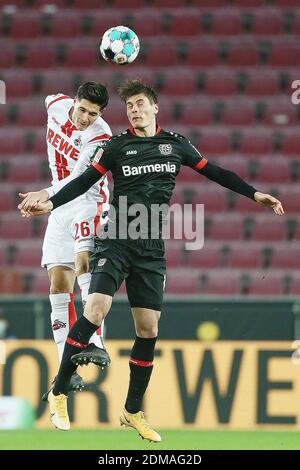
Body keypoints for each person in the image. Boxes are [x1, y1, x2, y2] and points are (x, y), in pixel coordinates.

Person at [18, 79, 284, 441]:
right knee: (95, 310)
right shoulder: (115, 145)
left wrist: (256, 195)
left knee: (149, 330)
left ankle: (132, 412)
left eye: (141, 104)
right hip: (115, 240)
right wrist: (50, 202)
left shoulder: (175, 145)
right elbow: (81, 183)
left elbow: (216, 172)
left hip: (151, 248)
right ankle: (60, 391)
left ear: (154, 107)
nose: (135, 110)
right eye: (129, 107)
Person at [19, 82, 112, 397]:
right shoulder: (54, 104)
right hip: (59, 204)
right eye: (83, 109)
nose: (85, 117)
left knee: (83, 262)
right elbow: (47, 98)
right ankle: (65, 368)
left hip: (88, 201)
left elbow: (78, 179)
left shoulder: (100, 135)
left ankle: (96, 342)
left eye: (93, 113)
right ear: (74, 101)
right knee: (58, 284)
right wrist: (50, 199)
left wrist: (45, 195)